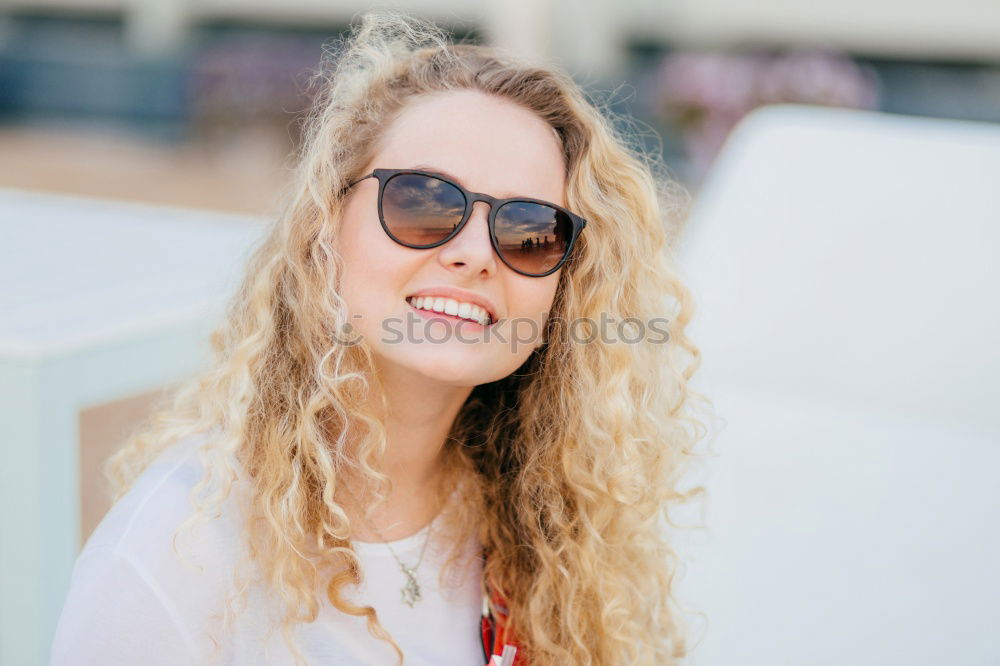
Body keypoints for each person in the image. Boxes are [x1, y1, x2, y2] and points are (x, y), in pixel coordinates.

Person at [50, 10, 709, 666]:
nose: (477, 252)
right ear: (326, 230)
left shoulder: (549, 533)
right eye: (423, 202)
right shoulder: (178, 551)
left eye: (530, 231)